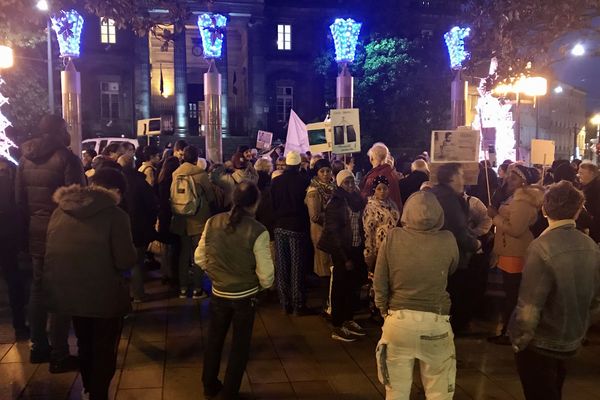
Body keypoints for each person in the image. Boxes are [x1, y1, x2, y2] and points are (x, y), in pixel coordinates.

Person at [44, 167, 137, 400]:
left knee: (84, 344)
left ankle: (87, 388)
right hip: (103, 295)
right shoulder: (116, 216)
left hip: (69, 293)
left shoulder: (60, 211)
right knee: (104, 349)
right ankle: (99, 394)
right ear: (116, 191)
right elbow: (125, 259)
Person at [509, 181, 600, 400]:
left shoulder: (542, 246)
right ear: (578, 211)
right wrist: (580, 326)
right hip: (571, 337)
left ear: (544, 209)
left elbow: (530, 306)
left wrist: (519, 339)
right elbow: (596, 299)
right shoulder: (590, 245)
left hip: (541, 341)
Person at [374, 191, 459, 400]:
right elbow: (452, 268)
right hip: (436, 322)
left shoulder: (393, 237)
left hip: (398, 322)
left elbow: (380, 279)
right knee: (439, 392)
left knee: (396, 392)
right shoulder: (448, 239)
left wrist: (383, 309)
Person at [17, 114, 85, 371]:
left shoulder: (24, 160)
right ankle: (59, 353)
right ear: (59, 131)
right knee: (60, 292)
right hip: (61, 233)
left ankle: (38, 346)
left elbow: (19, 201)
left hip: (36, 232)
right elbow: (77, 200)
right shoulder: (67, 159)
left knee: (37, 289)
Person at [195, 181, 274, 400]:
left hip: (219, 292)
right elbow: (266, 275)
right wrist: (262, 287)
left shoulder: (213, 222)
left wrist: (215, 275)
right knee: (239, 346)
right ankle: (229, 392)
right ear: (256, 202)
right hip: (245, 295)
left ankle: (209, 384)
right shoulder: (258, 231)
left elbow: (199, 258)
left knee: (214, 340)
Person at [487, 165, 544, 345]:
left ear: (523, 181)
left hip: (515, 252)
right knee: (510, 293)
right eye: (508, 177)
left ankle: (510, 332)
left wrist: (495, 216)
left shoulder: (522, 201)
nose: (508, 180)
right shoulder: (514, 198)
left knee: (513, 295)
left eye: (514, 178)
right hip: (509, 251)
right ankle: (509, 330)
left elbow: (515, 229)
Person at [319, 170, 368, 341]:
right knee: (340, 286)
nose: (350, 185)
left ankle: (348, 319)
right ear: (340, 184)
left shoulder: (357, 200)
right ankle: (337, 324)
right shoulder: (336, 202)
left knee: (352, 285)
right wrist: (344, 257)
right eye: (346, 182)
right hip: (341, 250)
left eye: (352, 181)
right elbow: (333, 232)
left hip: (355, 247)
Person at [430, 163, 479, 333]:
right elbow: (458, 230)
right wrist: (475, 244)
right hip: (452, 257)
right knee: (454, 294)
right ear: (452, 178)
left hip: (436, 256)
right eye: (461, 175)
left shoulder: (434, 193)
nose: (463, 179)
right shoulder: (448, 199)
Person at [171, 146, 215, 299]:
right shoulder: (200, 174)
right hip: (198, 219)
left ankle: (183, 289)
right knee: (198, 253)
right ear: (197, 158)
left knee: (184, 253)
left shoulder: (176, 173)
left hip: (180, 218)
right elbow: (210, 196)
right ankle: (197, 289)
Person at [270, 150, 311, 315]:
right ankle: (297, 304)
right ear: (299, 165)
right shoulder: (304, 181)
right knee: (296, 266)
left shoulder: (276, 182)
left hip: (280, 226)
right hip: (297, 227)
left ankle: (284, 302)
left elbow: (273, 203)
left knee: (282, 265)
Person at [118, 155, 158, 302]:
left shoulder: (117, 182)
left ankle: (122, 296)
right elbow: (151, 204)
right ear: (134, 164)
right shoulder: (140, 182)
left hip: (120, 227)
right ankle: (138, 294)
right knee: (137, 262)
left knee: (120, 263)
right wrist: (151, 222)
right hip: (140, 226)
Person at [0, 156, 28, 340]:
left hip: (6, 232)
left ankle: (19, 324)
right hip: (6, 233)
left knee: (13, 279)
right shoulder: (7, 175)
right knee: (13, 278)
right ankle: (19, 324)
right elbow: (14, 205)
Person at [363, 176, 400, 271]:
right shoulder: (371, 207)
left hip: (393, 246)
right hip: (378, 247)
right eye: (379, 189)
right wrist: (369, 253)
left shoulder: (392, 204)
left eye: (385, 188)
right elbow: (368, 231)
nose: (382, 191)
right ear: (374, 190)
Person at [305, 159, 335, 277]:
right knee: (323, 262)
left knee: (330, 262)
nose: (325, 174)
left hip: (331, 231)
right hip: (320, 231)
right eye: (322, 171)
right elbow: (315, 216)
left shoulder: (331, 187)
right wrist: (333, 218)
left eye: (328, 171)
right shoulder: (314, 191)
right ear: (317, 173)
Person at [157, 156, 182, 286]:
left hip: (163, 216)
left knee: (165, 248)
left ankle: (165, 273)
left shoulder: (160, 179)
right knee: (175, 247)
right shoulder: (175, 180)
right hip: (173, 215)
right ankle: (174, 275)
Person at [360, 143, 402, 213]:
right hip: (393, 213)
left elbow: (365, 197)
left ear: (371, 158)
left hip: (379, 215)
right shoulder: (392, 172)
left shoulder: (374, 176)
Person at [578, 163, 600, 242]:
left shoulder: (596, 189)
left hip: (593, 230)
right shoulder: (583, 186)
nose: (578, 175)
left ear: (591, 174)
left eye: (581, 173)